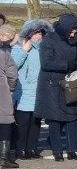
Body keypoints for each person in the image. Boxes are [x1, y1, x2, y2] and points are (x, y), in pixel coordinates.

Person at [36, 14, 77, 161]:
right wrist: (66, 65)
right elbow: (46, 62)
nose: (73, 35)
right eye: (71, 31)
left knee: (71, 117)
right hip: (51, 84)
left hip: (69, 82)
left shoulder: (74, 42)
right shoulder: (49, 40)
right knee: (54, 119)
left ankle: (72, 150)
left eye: (76, 32)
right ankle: (57, 150)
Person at [11, 20, 51, 159]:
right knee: (23, 123)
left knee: (36, 123)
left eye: (40, 33)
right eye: (35, 33)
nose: (38, 36)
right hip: (23, 92)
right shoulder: (19, 47)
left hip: (39, 91)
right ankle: (20, 149)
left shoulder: (43, 49)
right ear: (28, 34)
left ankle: (32, 149)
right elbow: (13, 65)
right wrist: (24, 51)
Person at [0, 26, 18, 168]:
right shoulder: (4, 53)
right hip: (1, 90)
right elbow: (12, 73)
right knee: (5, 121)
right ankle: (4, 157)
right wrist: (10, 88)